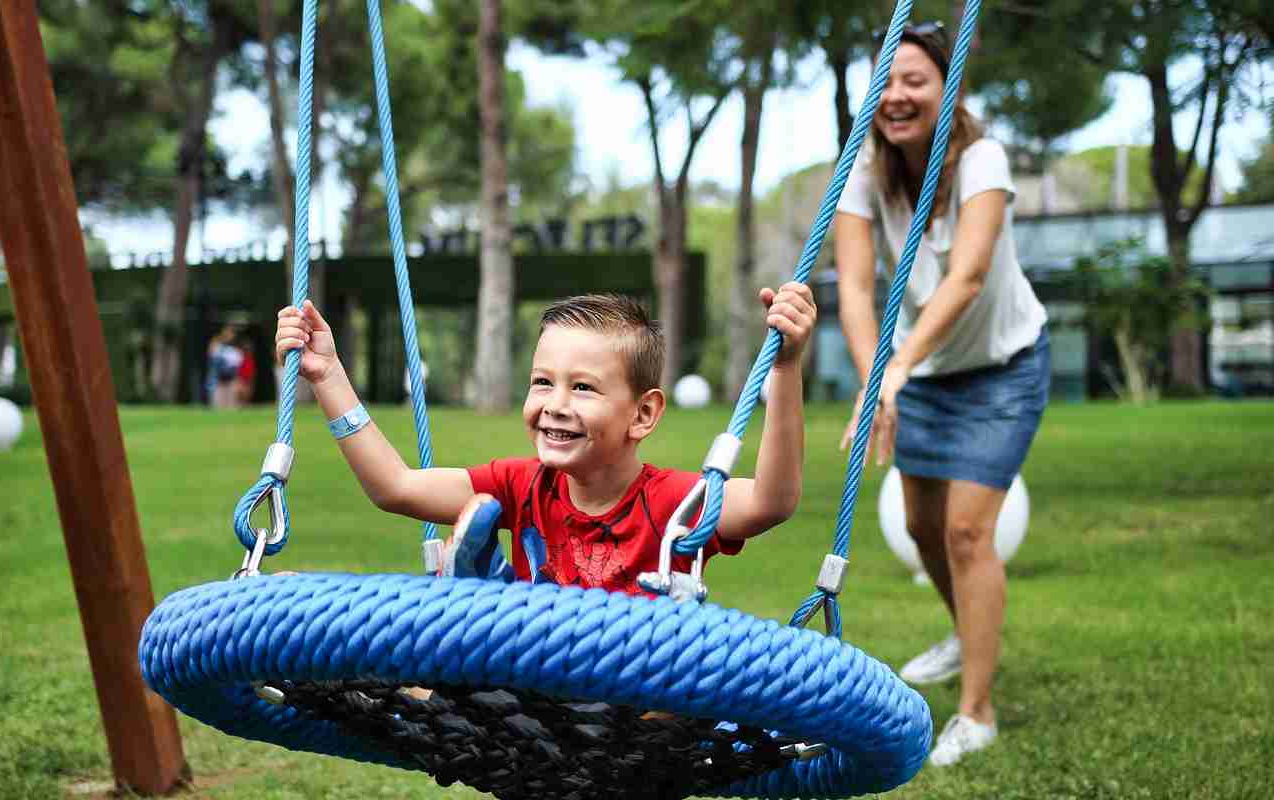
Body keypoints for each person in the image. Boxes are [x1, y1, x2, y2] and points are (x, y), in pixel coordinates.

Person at [273, 289, 815, 597]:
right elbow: (394, 487)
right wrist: (327, 376)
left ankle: (483, 592)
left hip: (632, 711)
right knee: (427, 668)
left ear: (643, 414)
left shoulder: (676, 504)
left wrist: (786, 368)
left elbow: (771, 502)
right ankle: (476, 595)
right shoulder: (519, 486)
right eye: (542, 382)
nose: (555, 403)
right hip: (533, 704)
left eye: (582, 387)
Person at [833, 22, 1050, 767]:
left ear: (947, 89)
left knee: (965, 533)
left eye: (915, 80)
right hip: (919, 373)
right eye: (886, 82)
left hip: (1002, 368)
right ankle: (967, 634)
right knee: (925, 532)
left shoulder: (981, 157)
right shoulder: (864, 167)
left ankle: (978, 711)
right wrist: (876, 382)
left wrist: (898, 368)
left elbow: (968, 275)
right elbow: (856, 288)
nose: (896, 96)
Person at [205, 326, 242, 408]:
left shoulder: (235, 350)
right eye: (227, 334)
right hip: (218, 382)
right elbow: (212, 359)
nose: (229, 336)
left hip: (231, 381)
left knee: (231, 406)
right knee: (218, 406)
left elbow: (236, 368)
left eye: (231, 334)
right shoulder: (217, 347)